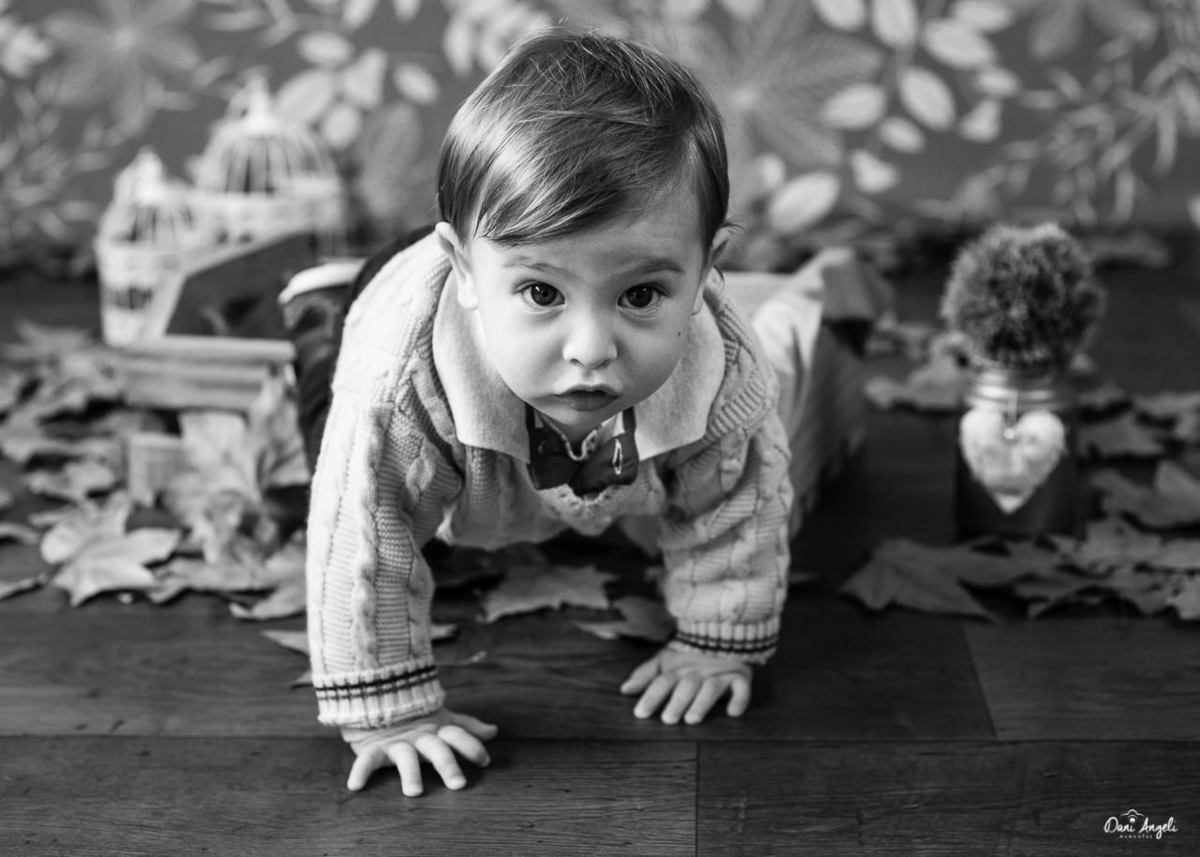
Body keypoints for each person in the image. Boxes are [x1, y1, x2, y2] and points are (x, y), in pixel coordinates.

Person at [284, 29, 793, 798]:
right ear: (464, 271)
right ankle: (322, 304)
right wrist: (388, 710)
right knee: (330, 447)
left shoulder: (724, 368)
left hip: (513, 338)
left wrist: (719, 639)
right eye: (543, 293)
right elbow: (364, 526)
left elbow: (738, 501)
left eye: (641, 294)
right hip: (387, 317)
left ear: (705, 272)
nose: (590, 349)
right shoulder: (397, 381)